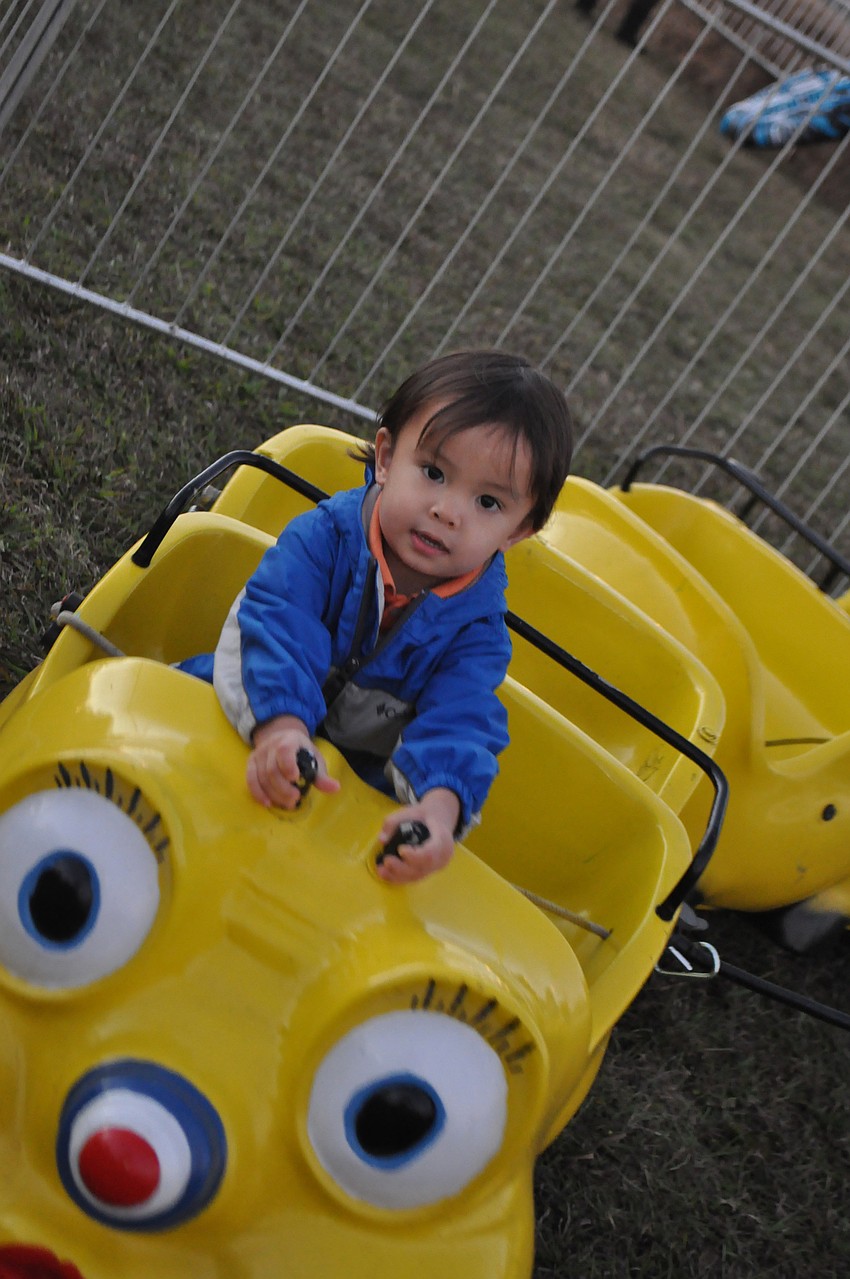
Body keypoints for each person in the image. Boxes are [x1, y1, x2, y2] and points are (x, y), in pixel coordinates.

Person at [182, 350, 572, 883]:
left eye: (487, 503)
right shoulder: (324, 539)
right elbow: (276, 625)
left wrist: (436, 811)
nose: (448, 511)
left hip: (353, 787)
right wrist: (283, 729)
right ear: (385, 458)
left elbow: (462, 722)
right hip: (241, 715)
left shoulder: (478, 633)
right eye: (434, 472)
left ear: (517, 532)